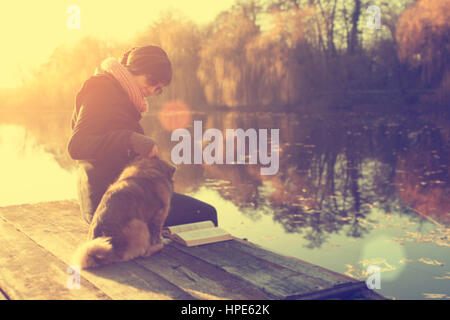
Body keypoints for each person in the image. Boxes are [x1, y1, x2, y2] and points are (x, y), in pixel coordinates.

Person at [67, 45, 218, 227]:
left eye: (160, 88)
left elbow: (114, 152)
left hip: (121, 198)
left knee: (192, 211)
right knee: (206, 214)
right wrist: (130, 139)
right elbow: (77, 145)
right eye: (152, 80)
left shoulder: (123, 98)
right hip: (108, 206)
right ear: (134, 68)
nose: (154, 89)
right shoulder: (101, 90)